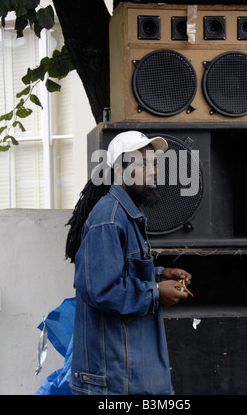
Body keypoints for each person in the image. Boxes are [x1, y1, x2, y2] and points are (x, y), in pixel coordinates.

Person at [67, 131, 192, 395]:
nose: (154, 171)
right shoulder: (110, 218)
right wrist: (156, 291)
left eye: (155, 163)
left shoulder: (125, 213)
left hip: (126, 374)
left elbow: (120, 268)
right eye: (144, 164)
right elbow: (100, 289)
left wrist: (159, 274)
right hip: (113, 380)